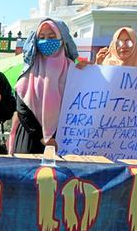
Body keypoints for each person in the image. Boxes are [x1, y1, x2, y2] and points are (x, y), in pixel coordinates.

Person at [8, 18, 83, 154]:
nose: (46, 41)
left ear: (62, 39)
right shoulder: (30, 69)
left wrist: (90, 70)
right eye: (41, 37)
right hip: (31, 139)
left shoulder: (73, 70)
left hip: (64, 141)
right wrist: (43, 138)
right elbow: (22, 108)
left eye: (52, 36)